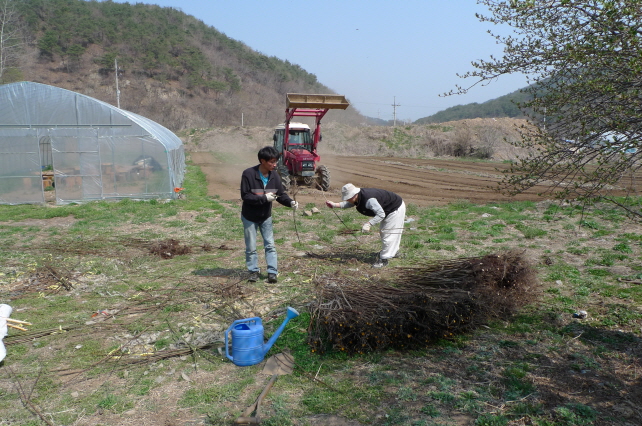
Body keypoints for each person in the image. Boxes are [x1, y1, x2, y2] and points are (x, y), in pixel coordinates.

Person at [240, 146, 298, 283]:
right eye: (272, 162)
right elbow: (245, 196)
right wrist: (264, 198)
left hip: (266, 216)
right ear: (262, 161)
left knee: (270, 245)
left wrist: (290, 203)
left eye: (275, 162)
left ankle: (272, 271)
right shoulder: (248, 174)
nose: (274, 165)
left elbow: (281, 194)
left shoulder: (275, 176)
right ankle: (253, 271)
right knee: (251, 246)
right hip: (250, 217)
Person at [326, 183, 406, 268]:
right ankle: (393, 252)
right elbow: (351, 203)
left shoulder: (369, 200)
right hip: (387, 209)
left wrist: (369, 224)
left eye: (349, 198)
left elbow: (381, 214)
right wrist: (334, 205)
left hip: (395, 208)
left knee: (388, 234)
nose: (348, 200)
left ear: (354, 195)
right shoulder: (357, 197)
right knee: (385, 233)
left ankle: (384, 260)